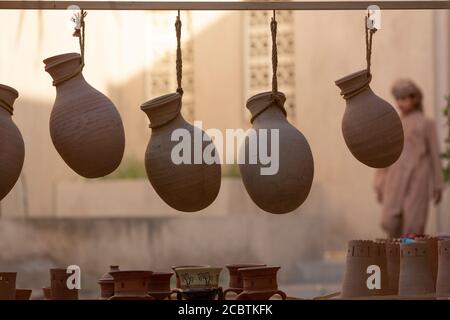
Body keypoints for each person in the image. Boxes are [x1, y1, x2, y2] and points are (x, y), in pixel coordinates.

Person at [374, 79, 444, 239]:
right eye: (398, 99)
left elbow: (434, 154)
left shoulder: (426, 123)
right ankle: (395, 257)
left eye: (404, 98)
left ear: (415, 99)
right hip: (394, 177)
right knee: (389, 220)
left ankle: (411, 259)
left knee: (413, 222)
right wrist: (379, 182)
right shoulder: (394, 122)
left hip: (418, 175)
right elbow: (385, 152)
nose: (400, 103)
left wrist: (438, 185)